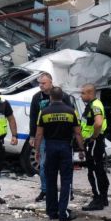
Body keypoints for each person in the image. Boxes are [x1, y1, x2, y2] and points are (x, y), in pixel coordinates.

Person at [31, 87, 85, 221]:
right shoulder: (71, 112)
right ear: (62, 97)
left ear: (50, 97)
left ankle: (52, 212)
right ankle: (63, 213)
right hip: (65, 147)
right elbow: (78, 133)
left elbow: (39, 134)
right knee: (66, 180)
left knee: (50, 180)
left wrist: (37, 151)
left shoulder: (43, 112)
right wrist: (82, 149)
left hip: (50, 148)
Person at [27, 72, 73, 202]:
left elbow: (71, 115)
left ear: (51, 82)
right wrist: (32, 136)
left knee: (62, 166)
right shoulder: (37, 98)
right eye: (39, 83)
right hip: (44, 136)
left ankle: (63, 193)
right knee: (43, 165)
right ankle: (45, 190)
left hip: (61, 136)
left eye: (43, 83)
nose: (40, 86)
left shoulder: (61, 96)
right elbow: (33, 118)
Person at [79, 84, 109, 211]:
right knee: (99, 169)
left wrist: (93, 137)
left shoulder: (95, 105)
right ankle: (103, 197)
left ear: (90, 94)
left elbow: (98, 123)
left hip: (94, 142)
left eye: (83, 93)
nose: (81, 96)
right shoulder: (91, 105)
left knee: (94, 171)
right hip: (94, 142)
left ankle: (98, 199)